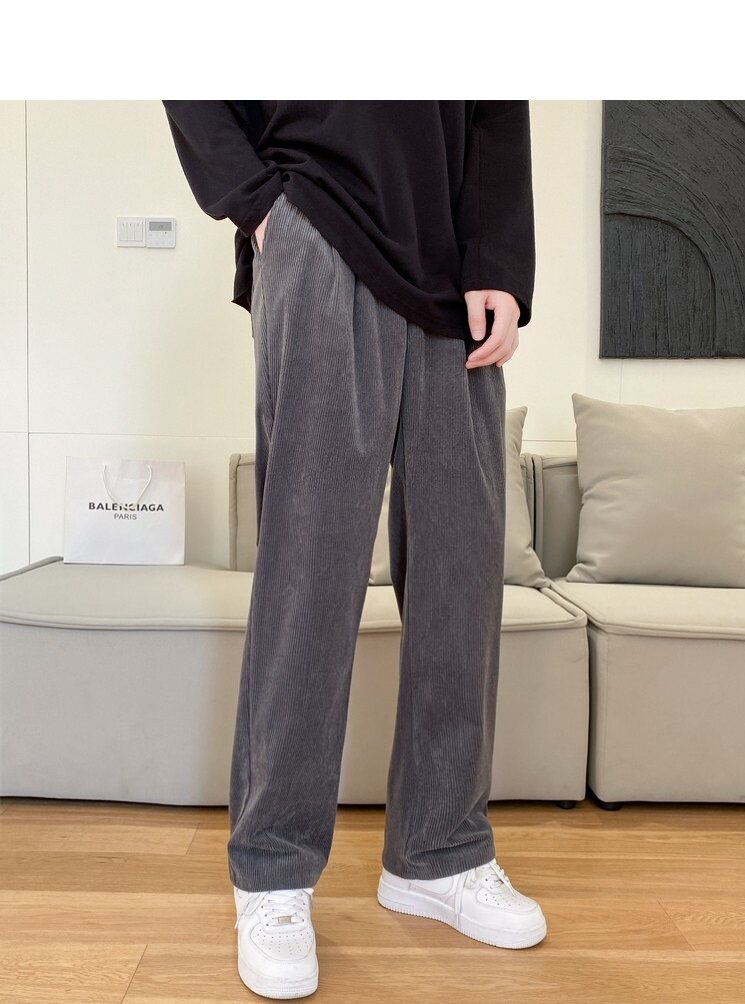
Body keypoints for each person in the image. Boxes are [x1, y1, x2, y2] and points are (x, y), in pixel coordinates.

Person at [163, 100, 546, 1000]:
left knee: (461, 575)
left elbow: (497, 103)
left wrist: (499, 261)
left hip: (453, 269)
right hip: (321, 226)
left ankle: (441, 852)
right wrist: (261, 207)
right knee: (311, 576)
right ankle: (272, 871)